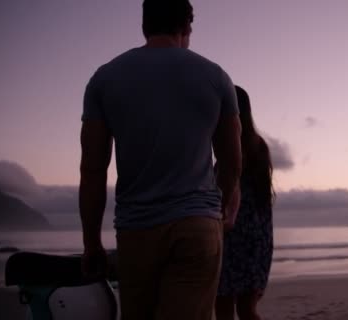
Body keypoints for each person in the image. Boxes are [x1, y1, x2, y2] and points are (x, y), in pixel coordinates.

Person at [78, 1, 242, 319]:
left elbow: (93, 170)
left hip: (136, 231)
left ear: (144, 26)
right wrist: (226, 209)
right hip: (196, 227)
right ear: (187, 28)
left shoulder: (104, 78)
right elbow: (232, 161)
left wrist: (91, 243)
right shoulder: (216, 77)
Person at [215, 86, 275, 320]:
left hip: (232, 236)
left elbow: (229, 190)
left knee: (224, 310)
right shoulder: (258, 144)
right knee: (247, 310)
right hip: (257, 238)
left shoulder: (229, 144)